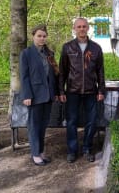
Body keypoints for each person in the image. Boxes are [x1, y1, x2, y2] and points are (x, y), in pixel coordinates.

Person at [59, 18, 106, 163]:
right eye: (78, 26)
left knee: (91, 121)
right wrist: (61, 91)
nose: (81, 29)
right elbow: (62, 72)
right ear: (74, 28)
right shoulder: (67, 48)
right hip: (72, 91)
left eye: (84, 26)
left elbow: (100, 71)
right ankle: (72, 151)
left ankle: (87, 148)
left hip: (91, 91)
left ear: (88, 28)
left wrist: (101, 90)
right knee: (71, 121)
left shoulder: (96, 48)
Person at [19, 24, 59, 166]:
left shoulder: (50, 54)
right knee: (34, 125)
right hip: (34, 96)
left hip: (48, 96)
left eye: (44, 36)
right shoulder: (26, 53)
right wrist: (27, 95)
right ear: (33, 36)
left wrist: (57, 93)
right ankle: (35, 154)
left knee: (43, 126)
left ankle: (41, 151)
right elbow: (24, 77)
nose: (42, 38)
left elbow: (54, 75)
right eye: (39, 36)